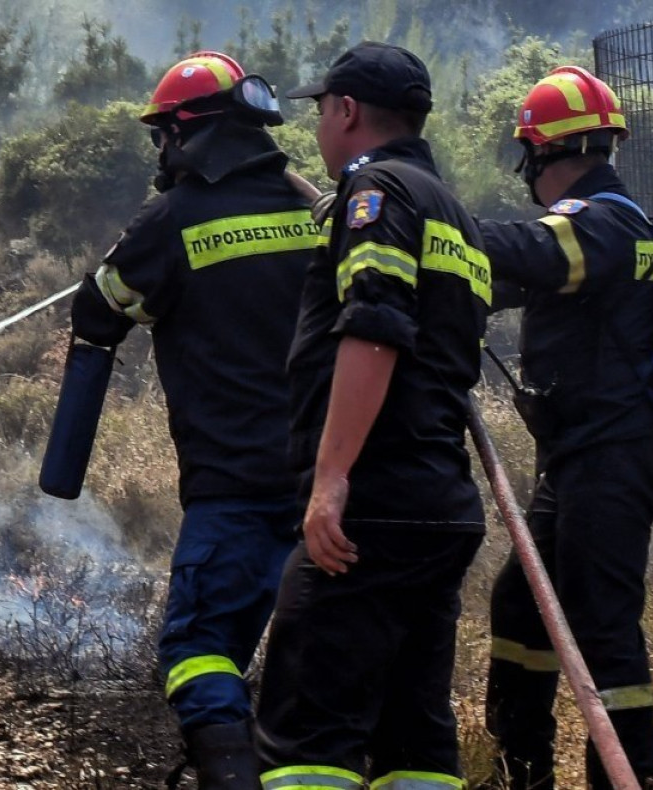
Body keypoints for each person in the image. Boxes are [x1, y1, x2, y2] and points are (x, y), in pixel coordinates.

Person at [59, 51, 314, 789]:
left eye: (160, 138)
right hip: (326, 487)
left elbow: (96, 312)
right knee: (317, 670)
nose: (159, 154)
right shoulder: (318, 212)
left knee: (199, 649)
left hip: (234, 490)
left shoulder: (173, 217)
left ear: (183, 134)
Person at [253, 42, 491, 790]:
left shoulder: (377, 196)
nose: (318, 129)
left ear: (347, 110)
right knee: (414, 744)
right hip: (438, 509)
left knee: (307, 743)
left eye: (321, 111)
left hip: (372, 508)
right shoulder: (452, 211)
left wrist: (331, 479)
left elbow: (375, 327)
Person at [478, 65, 653, 790]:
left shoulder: (605, 222)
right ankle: (522, 768)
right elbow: (508, 277)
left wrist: (424, 219)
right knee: (520, 604)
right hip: (578, 457)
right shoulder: (597, 227)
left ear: (544, 156)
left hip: (612, 455)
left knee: (602, 624)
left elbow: (536, 253)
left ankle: (631, 776)